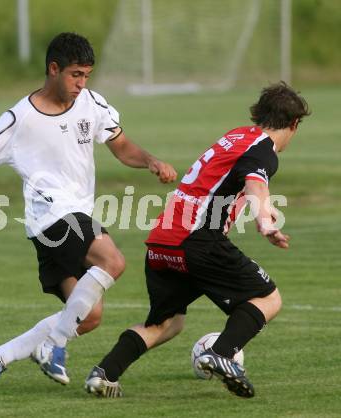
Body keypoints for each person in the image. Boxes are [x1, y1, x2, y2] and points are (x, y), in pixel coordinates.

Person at [0, 32, 177, 390]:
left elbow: (121, 145)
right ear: (54, 69)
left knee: (87, 316)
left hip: (73, 214)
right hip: (50, 216)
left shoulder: (91, 103)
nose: (81, 83)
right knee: (114, 262)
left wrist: (150, 160)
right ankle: (52, 346)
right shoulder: (20, 118)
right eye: (75, 74)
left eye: (87, 75)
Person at [84, 81, 310, 399]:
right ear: (294, 124)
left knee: (167, 323)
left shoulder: (236, 136)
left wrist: (264, 210)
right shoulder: (263, 150)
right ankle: (221, 352)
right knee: (268, 299)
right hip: (198, 241)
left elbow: (245, 185)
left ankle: (104, 373)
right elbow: (256, 184)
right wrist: (265, 222)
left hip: (163, 240)